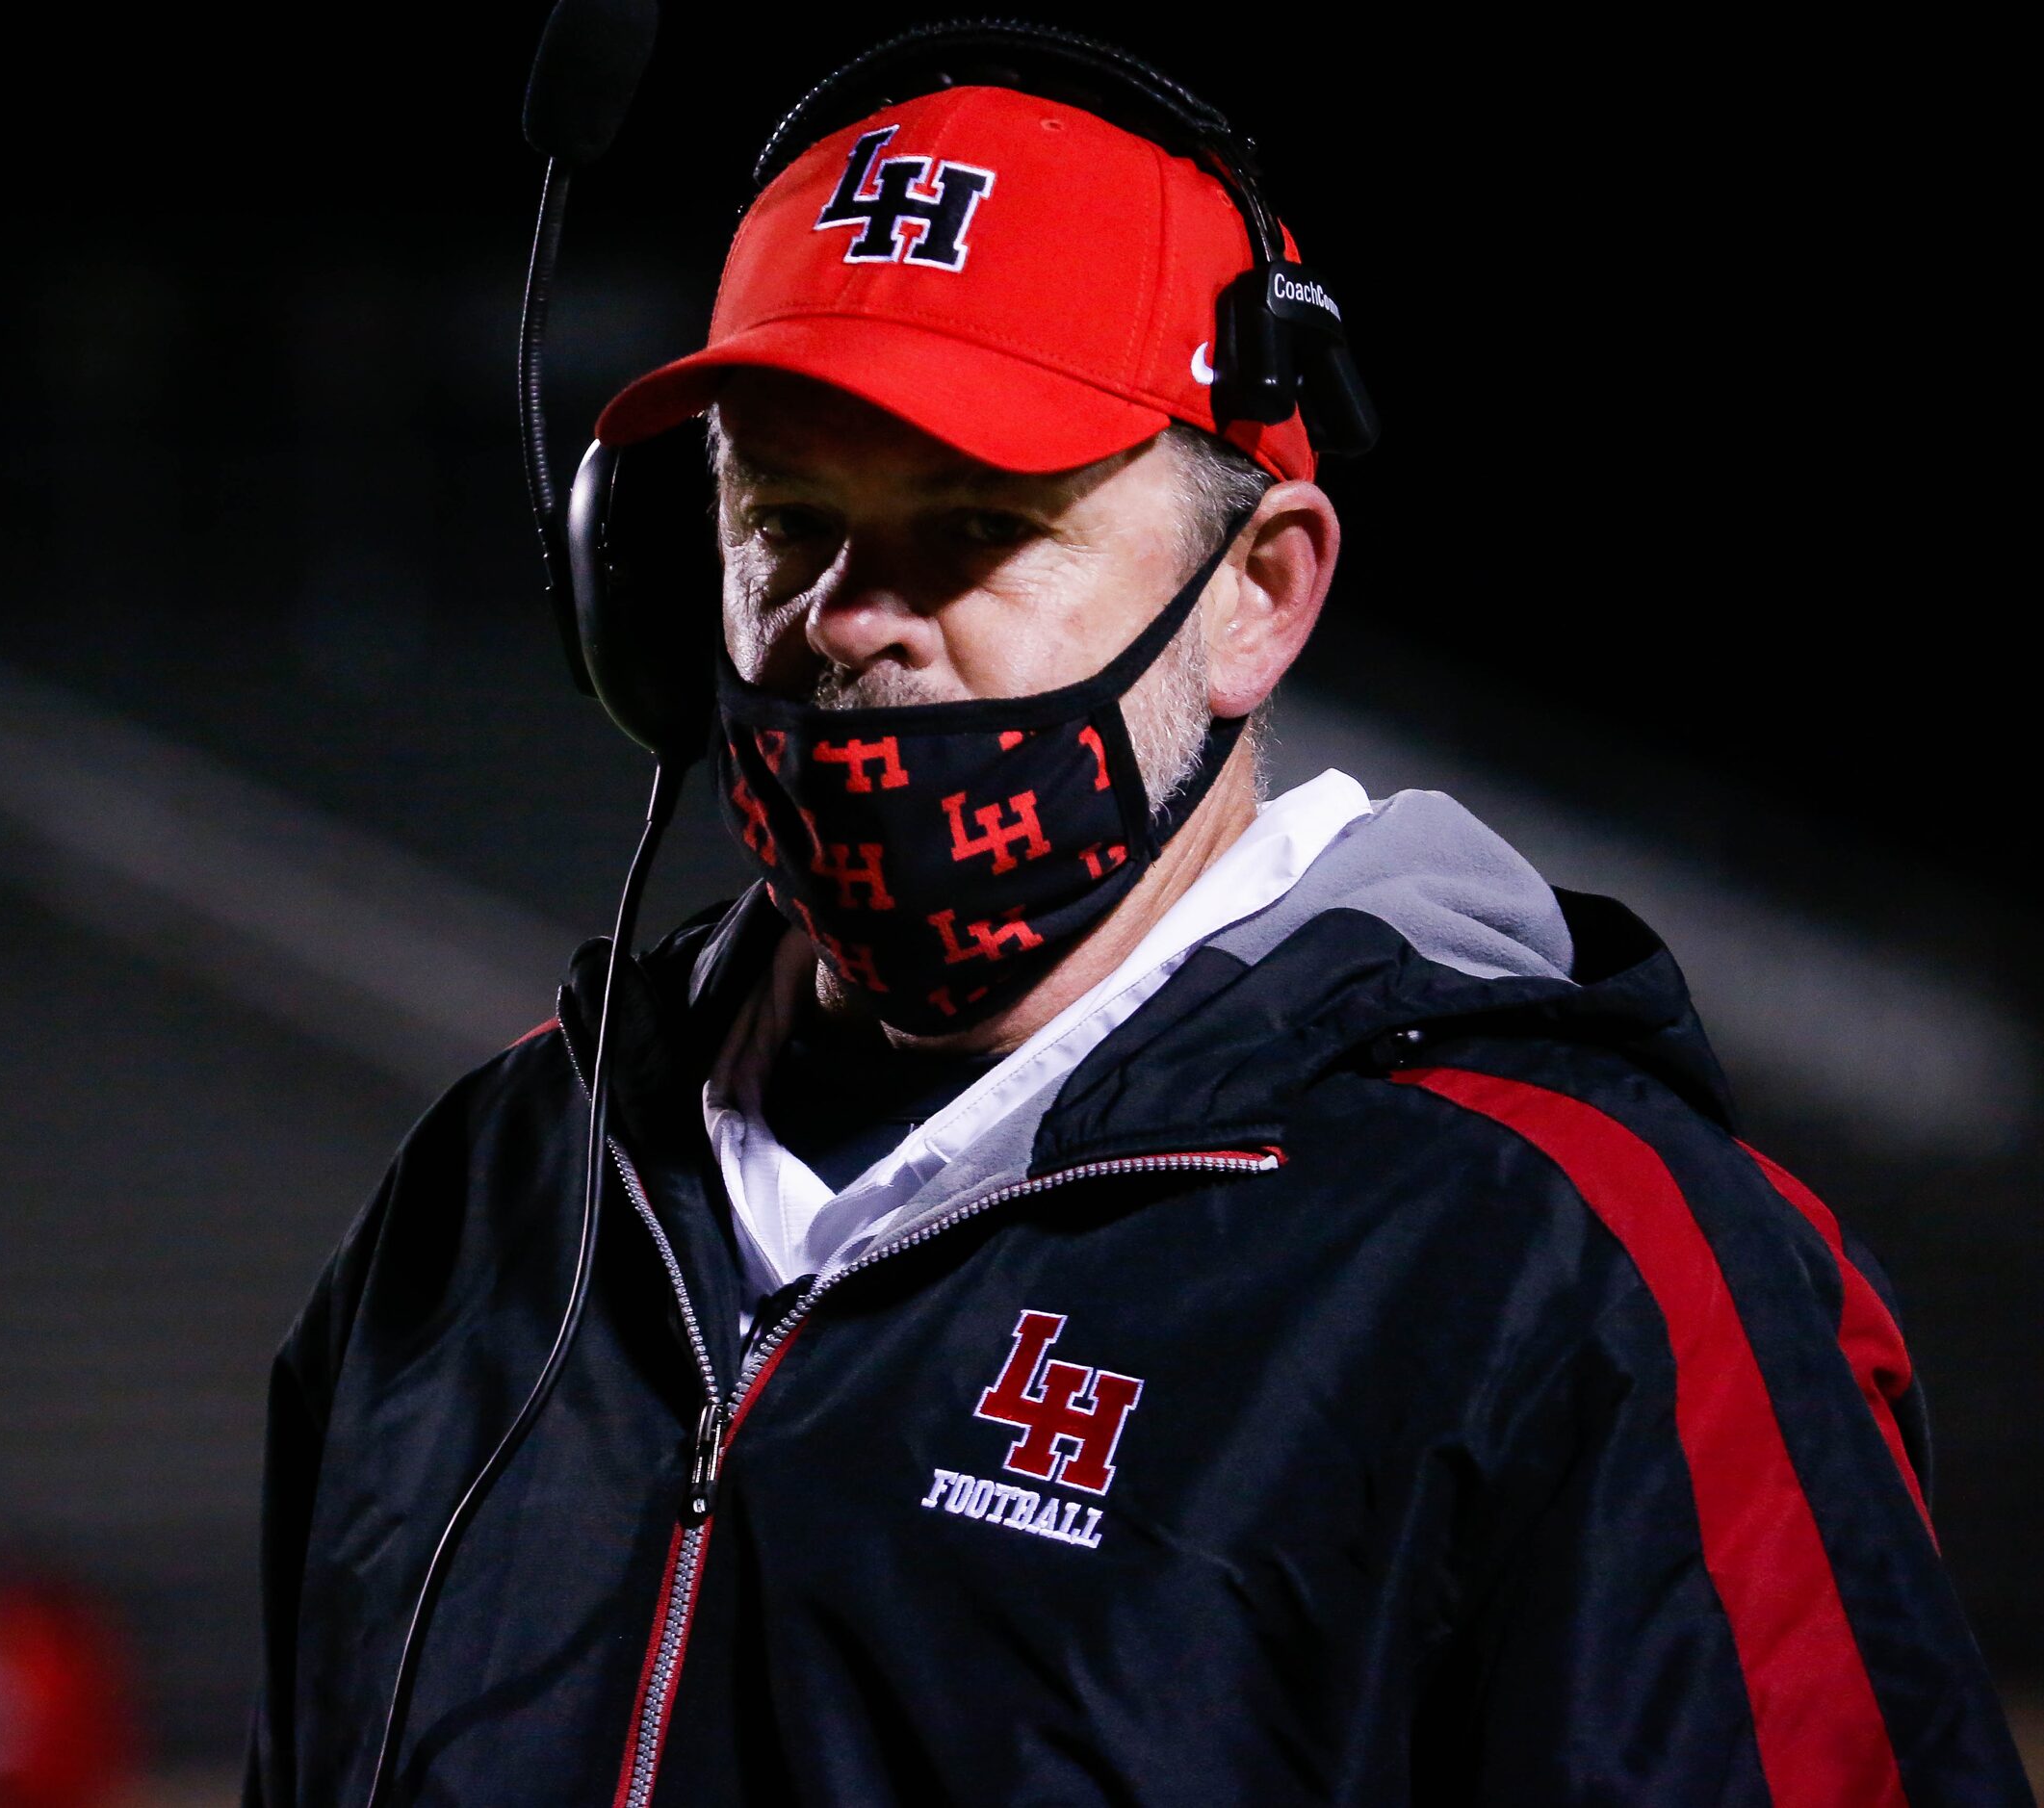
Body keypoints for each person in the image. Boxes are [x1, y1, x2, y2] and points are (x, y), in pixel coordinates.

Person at [247, 32, 2031, 1806]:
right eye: (786, 520)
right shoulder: (494, 1188)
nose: (853, 622)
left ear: (1256, 597)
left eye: (970, 527)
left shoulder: (1569, 1267)